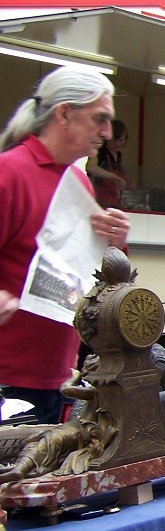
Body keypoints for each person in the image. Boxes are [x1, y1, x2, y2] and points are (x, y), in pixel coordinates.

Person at [0, 66, 131, 423]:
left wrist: (114, 245)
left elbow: (91, 277)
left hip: (58, 376)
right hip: (8, 380)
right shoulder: (9, 173)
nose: (106, 133)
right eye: (99, 119)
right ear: (63, 115)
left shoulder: (76, 180)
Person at [85, 118, 128, 208]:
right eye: (115, 140)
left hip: (114, 201)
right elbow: (90, 167)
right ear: (108, 138)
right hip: (98, 202)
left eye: (121, 141)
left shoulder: (119, 155)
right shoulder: (98, 151)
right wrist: (113, 176)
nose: (118, 144)